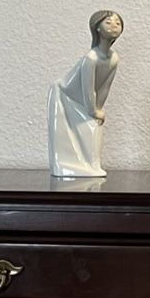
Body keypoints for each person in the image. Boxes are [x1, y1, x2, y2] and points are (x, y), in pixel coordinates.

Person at [47, 10, 124, 179]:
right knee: (84, 131)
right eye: (108, 22)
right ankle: (79, 166)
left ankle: (92, 165)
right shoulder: (91, 58)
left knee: (95, 127)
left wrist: (99, 109)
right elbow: (88, 87)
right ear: (97, 28)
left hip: (86, 102)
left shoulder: (114, 58)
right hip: (66, 97)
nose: (114, 26)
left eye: (118, 23)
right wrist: (92, 110)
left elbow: (104, 87)